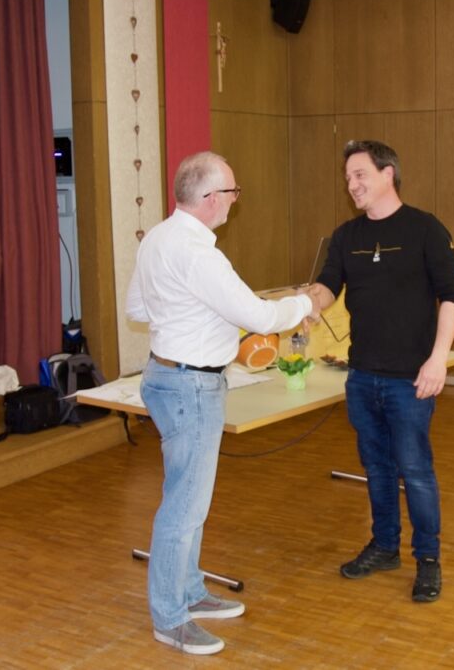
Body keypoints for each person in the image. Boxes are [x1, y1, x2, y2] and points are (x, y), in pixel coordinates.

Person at [126, 151, 318, 655]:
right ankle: (170, 618)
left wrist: (190, 313)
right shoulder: (199, 254)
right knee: (184, 506)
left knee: (188, 498)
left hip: (166, 377)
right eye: (233, 192)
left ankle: (190, 592)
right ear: (211, 198)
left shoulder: (157, 239)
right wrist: (306, 302)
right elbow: (259, 316)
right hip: (190, 387)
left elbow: (137, 307)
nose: (235, 200)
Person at [307, 140, 454, 603]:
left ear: (387, 174)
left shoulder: (426, 229)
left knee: (415, 471)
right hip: (362, 376)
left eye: (360, 175)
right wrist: (304, 304)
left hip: (410, 379)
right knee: (376, 468)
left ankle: (428, 560)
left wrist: (438, 359)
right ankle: (384, 546)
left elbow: (451, 298)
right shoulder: (346, 237)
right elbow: (327, 287)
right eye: (347, 178)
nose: (351, 185)